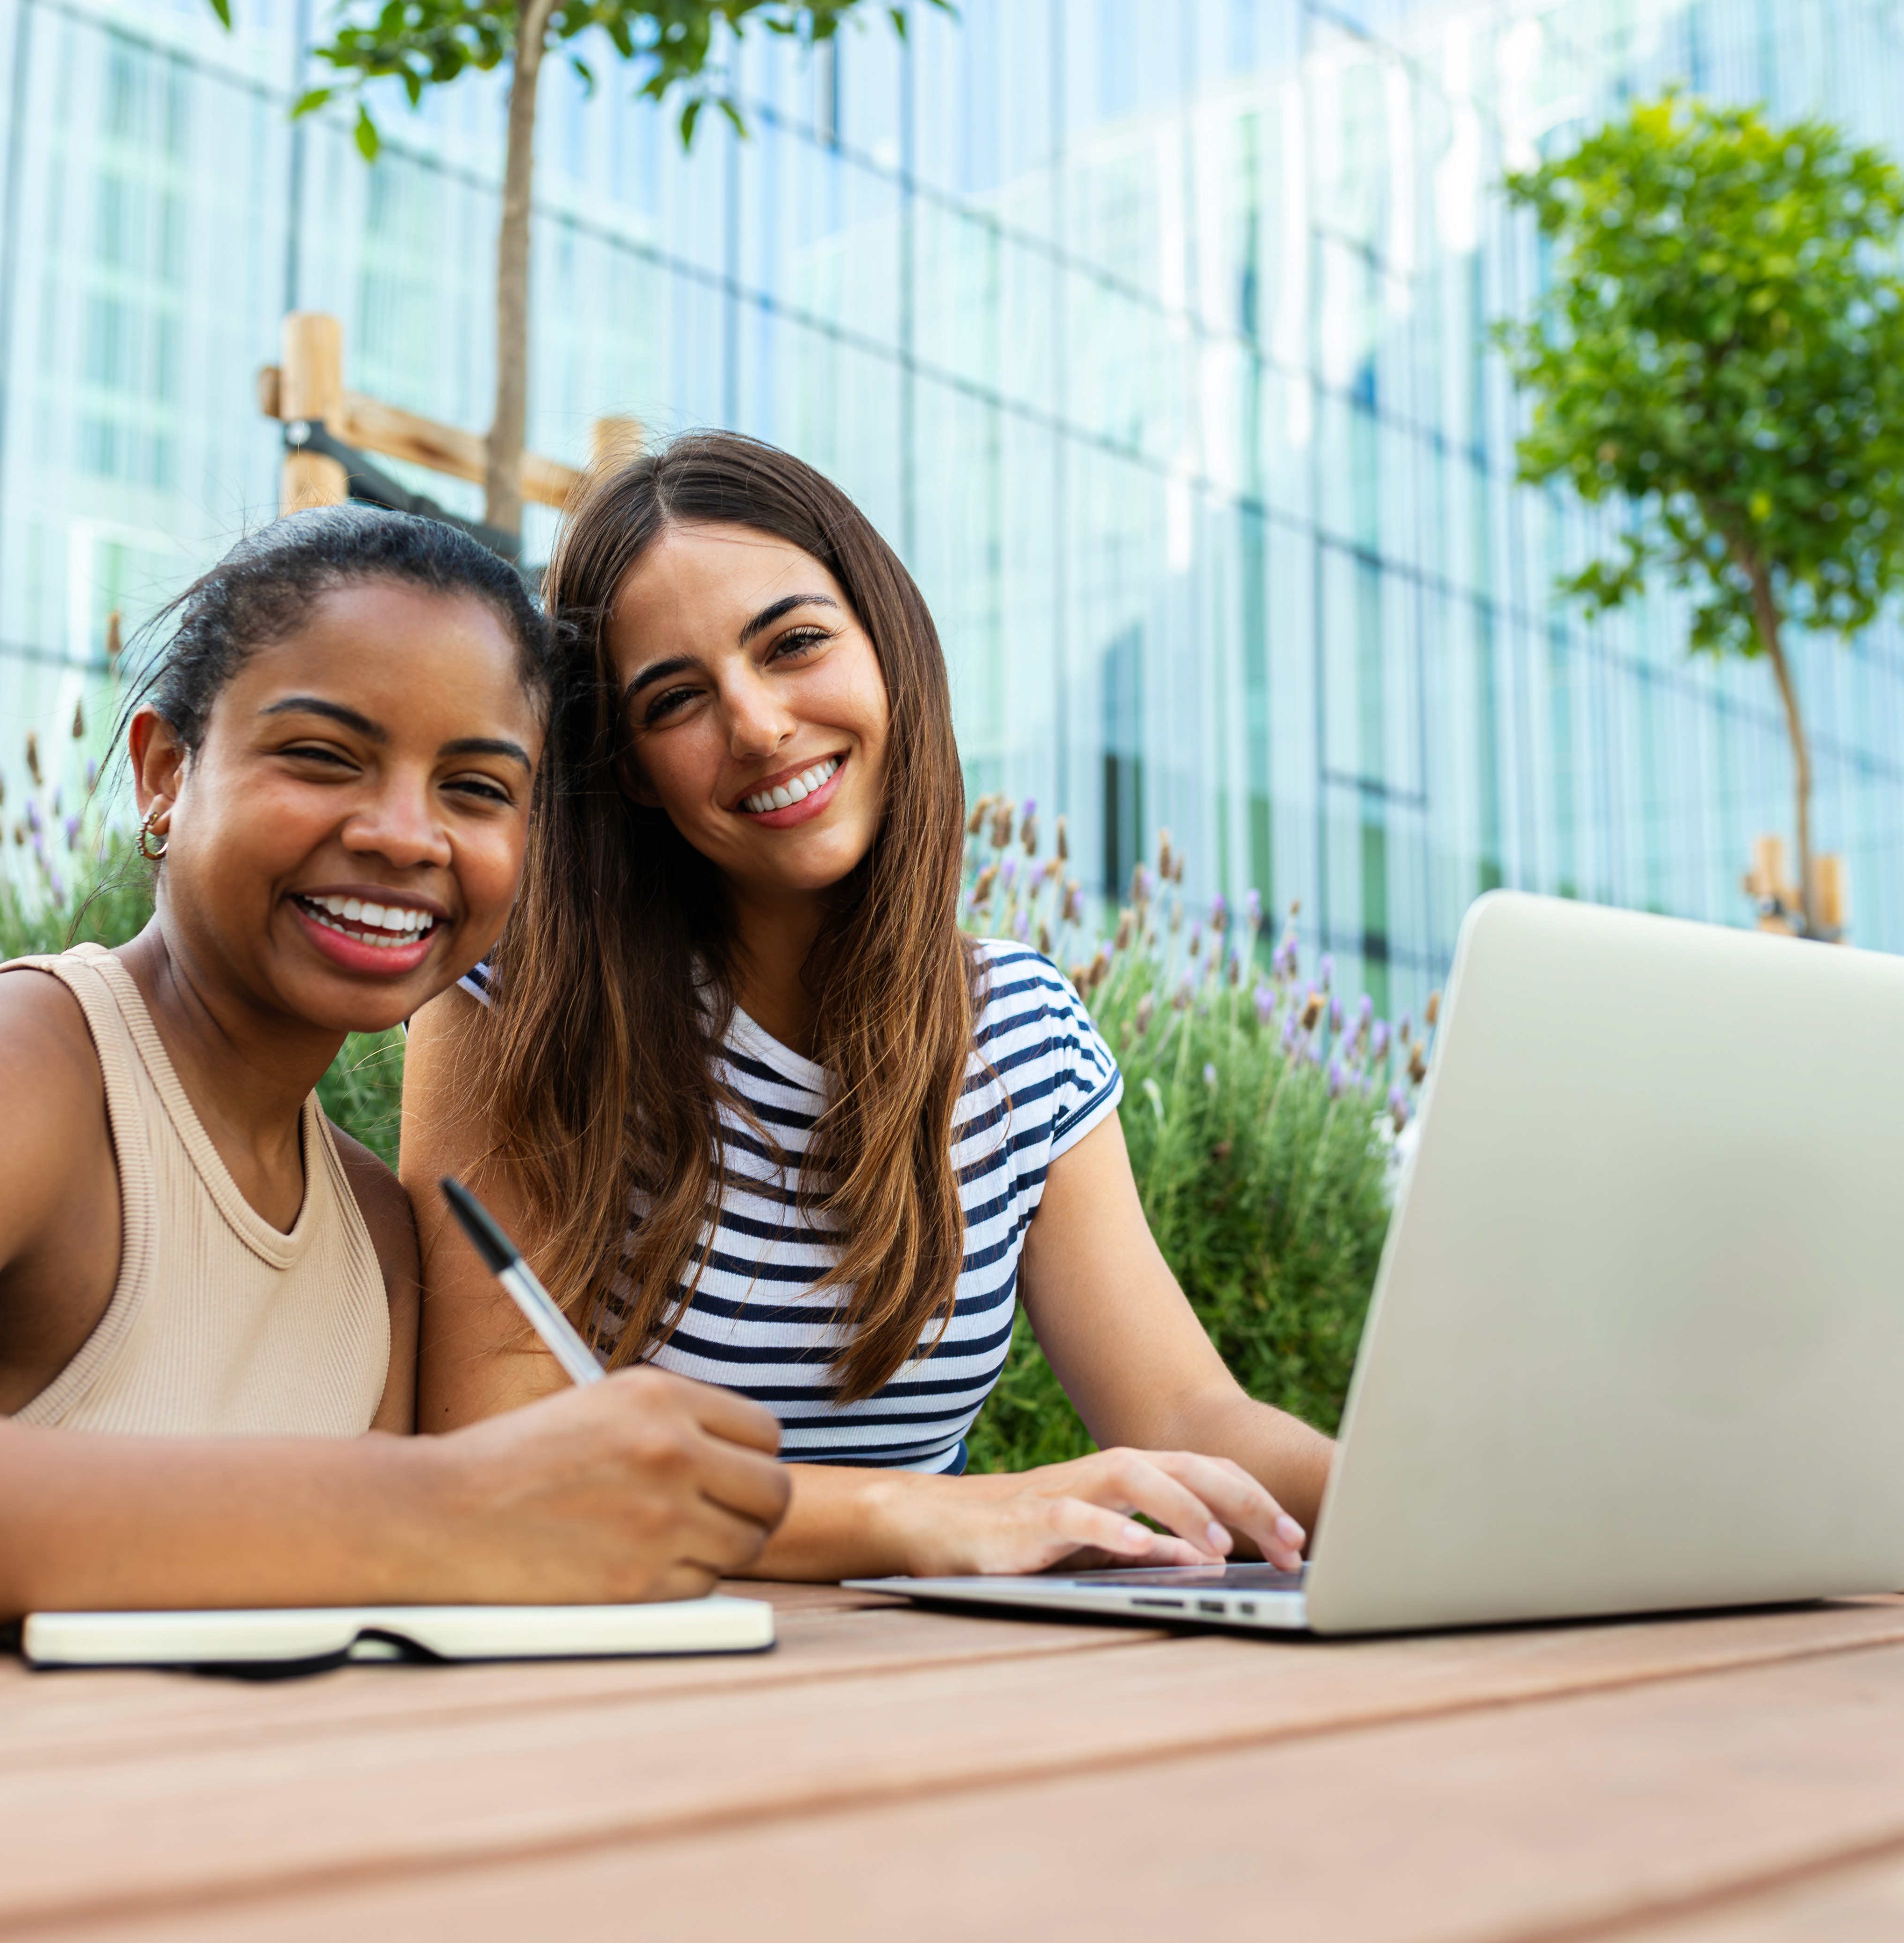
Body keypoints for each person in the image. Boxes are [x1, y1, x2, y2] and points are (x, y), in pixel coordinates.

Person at [0, 507, 790, 1651]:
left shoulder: (381, 1233)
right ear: (164, 773)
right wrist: (452, 1503)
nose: (405, 834)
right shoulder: (25, 1073)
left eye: (476, 788)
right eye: (324, 757)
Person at [402, 433, 1333, 1583]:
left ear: (889, 646)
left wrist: (1429, 1499)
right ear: (633, 768)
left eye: (793, 643)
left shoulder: (1022, 1037)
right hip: (628, 1694)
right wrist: (927, 1515)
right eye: (678, 698)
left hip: (916, 1684)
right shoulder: (509, 1018)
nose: (756, 724)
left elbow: (1190, 1416)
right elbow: (501, 1470)